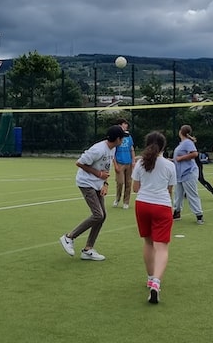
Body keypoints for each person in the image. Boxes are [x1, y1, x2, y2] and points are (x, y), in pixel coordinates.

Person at [59, 125, 125, 261]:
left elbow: (106, 168)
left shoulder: (112, 149)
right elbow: (79, 163)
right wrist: (98, 174)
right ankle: (69, 237)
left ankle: (88, 249)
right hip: (86, 183)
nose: (123, 140)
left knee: (102, 216)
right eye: (122, 138)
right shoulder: (98, 149)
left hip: (97, 184)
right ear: (118, 139)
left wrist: (105, 183)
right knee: (98, 215)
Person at [132, 131, 177, 304]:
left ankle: (150, 278)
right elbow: (169, 190)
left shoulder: (140, 163)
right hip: (162, 206)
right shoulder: (169, 165)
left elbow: (135, 188)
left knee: (148, 242)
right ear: (164, 146)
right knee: (162, 247)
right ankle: (156, 283)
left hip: (142, 204)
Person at [172, 125, 204, 224]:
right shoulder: (182, 143)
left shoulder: (187, 142)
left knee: (192, 194)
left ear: (181, 132)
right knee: (178, 194)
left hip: (188, 172)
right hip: (179, 173)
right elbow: (177, 158)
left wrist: (181, 158)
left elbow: (194, 153)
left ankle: (199, 215)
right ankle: (177, 212)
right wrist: (172, 160)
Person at [112, 118, 135, 209]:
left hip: (128, 162)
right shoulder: (116, 137)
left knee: (128, 183)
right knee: (120, 182)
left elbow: (131, 149)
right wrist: (115, 164)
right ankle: (117, 199)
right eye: (124, 124)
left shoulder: (129, 136)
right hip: (120, 162)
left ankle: (126, 202)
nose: (126, 125)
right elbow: (113, 152)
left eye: (126, 124)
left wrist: (133, 161)